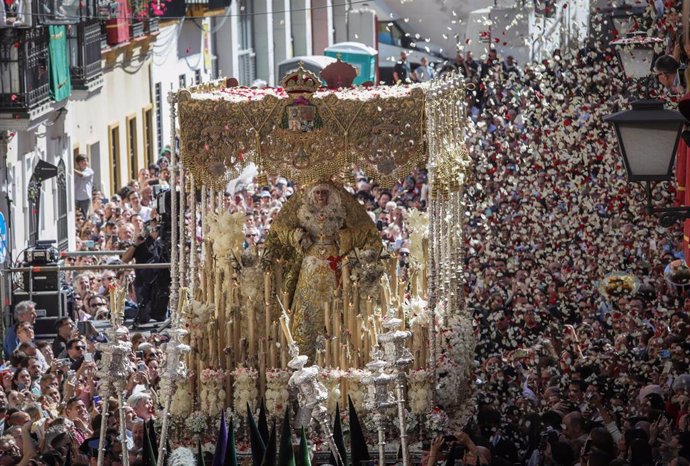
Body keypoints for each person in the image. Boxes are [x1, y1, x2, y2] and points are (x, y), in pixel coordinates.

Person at [121, 217, 169, 323]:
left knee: (161, 316)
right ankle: (128, 312)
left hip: (161, 282)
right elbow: (125, 259)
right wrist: (135, 244)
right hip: (143, 283)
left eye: (157, 227)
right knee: (144, 317)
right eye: (153, 227)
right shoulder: (142, 243)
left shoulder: (166, 243)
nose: (155, 230)